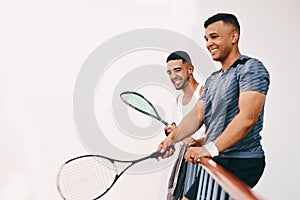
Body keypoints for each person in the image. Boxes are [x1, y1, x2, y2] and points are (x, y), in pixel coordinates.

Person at [157, 13, 270, 200]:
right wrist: (172, 139)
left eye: (214, 36)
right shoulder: (213, 80)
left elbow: (247, 118)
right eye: (206, 39)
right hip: (218, 159)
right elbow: (197, 115)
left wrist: (209, 149)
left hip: (242, 161)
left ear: (233, 37)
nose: (209, 43)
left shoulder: (251, 68)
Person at [164, 51, 205, 200]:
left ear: (190, 69)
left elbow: (220, 130)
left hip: (204, 162)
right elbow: (185, 135)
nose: (173, 76)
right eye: (169, 72)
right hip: (186, 162)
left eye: (177, 70)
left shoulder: (204, 92)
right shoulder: (179, 100)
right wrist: (173, 137)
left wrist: (198, 142)